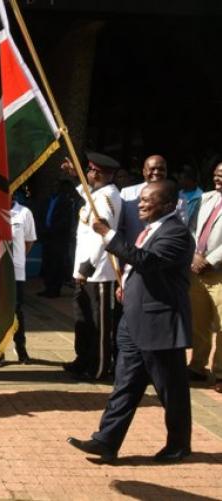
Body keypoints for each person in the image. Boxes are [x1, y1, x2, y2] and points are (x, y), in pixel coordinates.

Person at [68, 180, 194, 463]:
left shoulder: (176, 234)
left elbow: (146, 261)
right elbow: (139, 265)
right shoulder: (149, 230)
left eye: (149, 200)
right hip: (134, 321)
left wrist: (108, 234)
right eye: (141, 198)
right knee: (125, 385)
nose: (141, 203)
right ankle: (106, 441)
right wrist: (127, 282)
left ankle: (178, 444)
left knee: (170, 390)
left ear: (169, 205)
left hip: (159, 325)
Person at [61, 152, 122, 381]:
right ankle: (83, 359)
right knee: (83, 319)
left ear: (98, 173)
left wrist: (88, 266)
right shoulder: (98, 194)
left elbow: (102, 235)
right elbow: (86, 196)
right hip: (85, 269)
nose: (87, 173)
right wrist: (76, 176)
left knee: (99, 324)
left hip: (98, 271)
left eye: (89, 170)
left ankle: (100, 367)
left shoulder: (108, 197)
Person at [187, 162, 222, 393]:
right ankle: (197, 366)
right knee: (198, 321)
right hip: (196, 270)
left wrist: (208, 260)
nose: (218, 179)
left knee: (221, 325)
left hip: (218, 272)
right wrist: (194, 255)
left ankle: (219, 372)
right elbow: (190, 228)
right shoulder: (205, 198)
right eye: (216, 175)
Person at [0, 194, 37, 366]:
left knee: (16, 311)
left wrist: (18, 259)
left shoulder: (24, 213)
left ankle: (20, 347)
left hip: (16, 272)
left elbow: (29, 241)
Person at [119, 155, 187, 243]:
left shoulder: (178, 197)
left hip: (161, 250)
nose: (156, 172)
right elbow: (119, 226)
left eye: (161, 169)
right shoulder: (127, 194)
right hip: (129, 251)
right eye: (152, 169)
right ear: (144, 172)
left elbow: (181, 226)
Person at [38, 179, 74, 298]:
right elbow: (43, 215)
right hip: (47, 237)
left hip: (58, 238)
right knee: (47, 262)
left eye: (56, 185)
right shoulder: (48, 200)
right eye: (52, 185)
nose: (54, 187)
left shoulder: (65, 201)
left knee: (56, 264)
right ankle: (48, 287)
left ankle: (55, 289)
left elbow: (65, 220)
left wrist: (52, 230)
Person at [178, 164, 203, 229]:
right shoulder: (178, 195)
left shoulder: (202, 197)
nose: (179, 181)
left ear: (189, 179)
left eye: (181, 179)